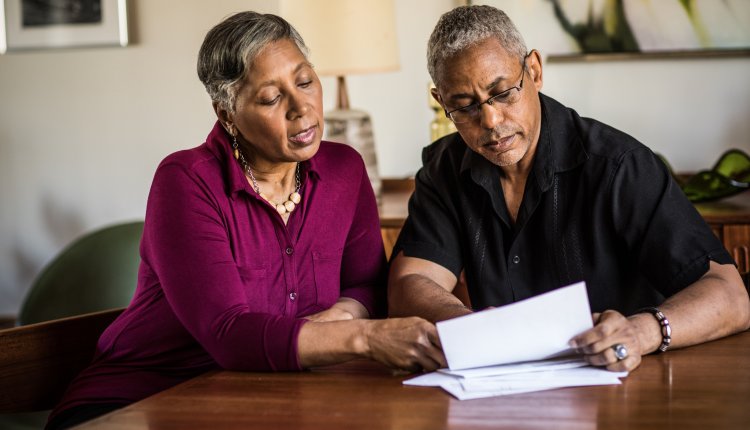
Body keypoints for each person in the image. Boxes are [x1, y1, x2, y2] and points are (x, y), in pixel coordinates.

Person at [47, 12, 445, 430]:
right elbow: (228, 331)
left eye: (305, 81)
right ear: (228, 114)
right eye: (272, 98)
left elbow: (365, 285)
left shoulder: (345, 169)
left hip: (266, 394)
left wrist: (334, 321)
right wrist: (364, 337)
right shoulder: (185, 181)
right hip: (140, 399)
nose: (301, 107)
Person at [388, 5, 749, 374]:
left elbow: (730, 295)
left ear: (534, 70)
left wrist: (640, 332)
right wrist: (467, 324)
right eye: (464, 107)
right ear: (441, 102)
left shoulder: (619, 165)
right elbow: (411, 281)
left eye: (503, 93)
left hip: (626, 383)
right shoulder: (444, 167)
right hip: (501, 390)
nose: (491, 121)